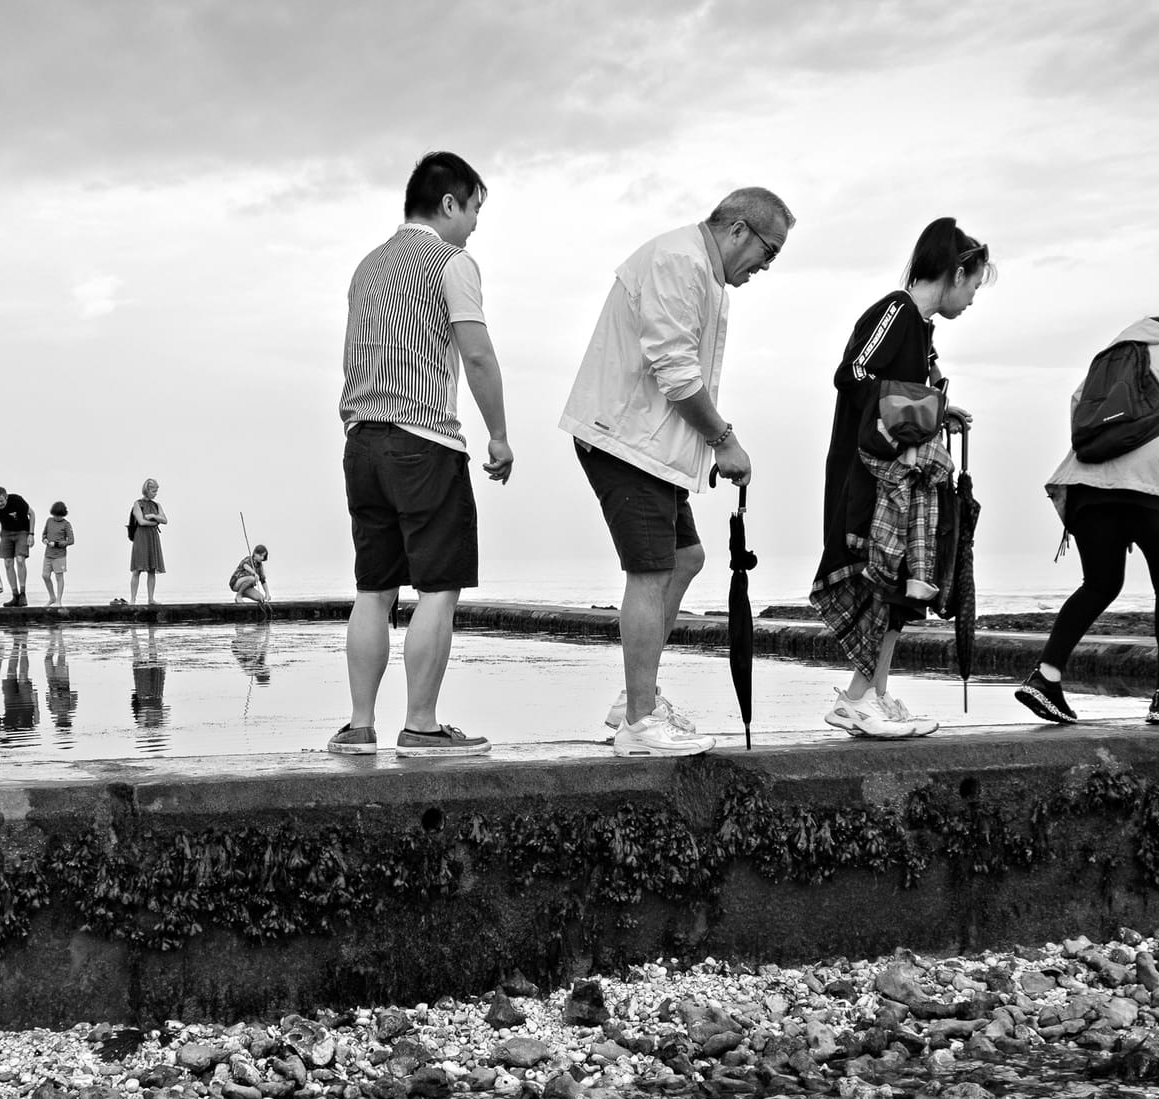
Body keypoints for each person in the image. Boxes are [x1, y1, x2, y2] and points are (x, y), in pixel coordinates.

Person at [562, 187, 790, 757]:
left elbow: (682, 373)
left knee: (686, 558)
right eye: (770, 250)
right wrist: (724, 440)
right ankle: (639, 721)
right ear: (739, 231)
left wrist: (706, 446)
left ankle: (633, 700)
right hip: (623, 441)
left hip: (651, 448)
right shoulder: (678, 262)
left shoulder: (705, 276)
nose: (767, 266)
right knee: (648, 572)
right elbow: (675, 369)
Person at [329, 150, 513, 760]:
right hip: (424, 438)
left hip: (361, 443)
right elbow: (479, 354)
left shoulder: (367, 265)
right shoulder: (452, 261)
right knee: (438, 588)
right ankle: (422, 725)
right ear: (449, 203)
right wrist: (499, 435)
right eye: (475, 210)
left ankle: (358, 727)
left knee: (373, 590)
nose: (476, 226)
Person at [809, 218, 993, 740]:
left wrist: (937, 409)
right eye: (975, 285)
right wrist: (924, 407)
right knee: (878, 580)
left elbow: (900, 398)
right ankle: (854, 699)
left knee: (900, 588)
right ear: (957, 273)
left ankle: (875, 694)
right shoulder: (897, 310)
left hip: (896, 481)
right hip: (865, 476)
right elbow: (854, 374)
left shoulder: (922, 332)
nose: (974, 299)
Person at [1015, 316, 1159, 726]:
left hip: (1088, 486)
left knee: (1099, 584)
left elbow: (1080, 418)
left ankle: (1046, 676)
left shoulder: (1105, 362)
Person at [0, 487, 34, 607]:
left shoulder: (17, 500)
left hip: (22, 532)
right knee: (8, 563)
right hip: (6, 534)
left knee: (20, 559)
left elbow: (32, 514)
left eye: (1, 501)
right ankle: (15, 596)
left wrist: (31, 534)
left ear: (6, 497)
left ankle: (23, 595)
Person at [128, 479, 167, 606]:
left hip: (152, 537)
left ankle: (151, 598)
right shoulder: (138, 504)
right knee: (137, 570)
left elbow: (165, 520)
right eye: (153, 491)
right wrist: (155, 522)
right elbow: (141, 521)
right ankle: (133, 600)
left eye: (156, 491)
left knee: (152, 569)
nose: (155, 493)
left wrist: (154, 516)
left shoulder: (157, 505)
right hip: (141, 537)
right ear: (147, 490)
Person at [40, 501, 75, 607]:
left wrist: (57, 544)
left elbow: (71, 541)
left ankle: (59, 601)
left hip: (60, 555)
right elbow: (44, 534)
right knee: (45, 576)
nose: (56, 517)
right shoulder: (49, 521)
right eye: (55, 515)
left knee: (59, 577)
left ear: (63, 514)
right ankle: (52, 597)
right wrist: (44, 540)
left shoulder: (66, 524)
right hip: (48, 555)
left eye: (59, 516)